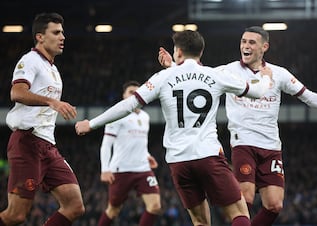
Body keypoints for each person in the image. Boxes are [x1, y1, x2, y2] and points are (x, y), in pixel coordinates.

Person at [158, 26, 317, 226]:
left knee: (274, 205)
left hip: (271, 147)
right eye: (243, 41)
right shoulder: (227, 71)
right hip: (243, 144)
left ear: (265, 47)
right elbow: (196, 76)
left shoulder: (278, 74)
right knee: (244, 198)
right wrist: (172, 67)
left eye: (251, 42)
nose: (245, 46)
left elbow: (309, 96)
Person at [75, 30, 274, 226]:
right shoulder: (214, 75)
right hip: (208, 156)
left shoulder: (163, 77)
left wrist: (91, 123)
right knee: (239, 213)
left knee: (200, 221)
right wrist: (266, 78)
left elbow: (128, 105)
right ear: (201, 52)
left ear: (178, 51)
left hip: (179, 162)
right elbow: (256, 91)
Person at [0, 12, 85, 226]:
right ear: (40, 37)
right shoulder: (30, 61)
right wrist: (52, 102)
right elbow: (17, 92)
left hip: (48, 146)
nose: (62, 37)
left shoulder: (53, 69)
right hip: (27, 143)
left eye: (63, 32)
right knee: (16, 216)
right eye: (56, 32)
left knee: (75, 206)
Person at [97, 80, 162, 226]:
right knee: (113, 210)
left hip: (143, 169)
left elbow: (141, 142)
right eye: (131, 92)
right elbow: (106, 144)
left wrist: (147, 155)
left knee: (155, 206)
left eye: (137, 92)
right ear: (124, 96)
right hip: (121, 170)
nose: (134, 95)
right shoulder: (117, 115)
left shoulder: (145, 117)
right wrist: (105, 169)